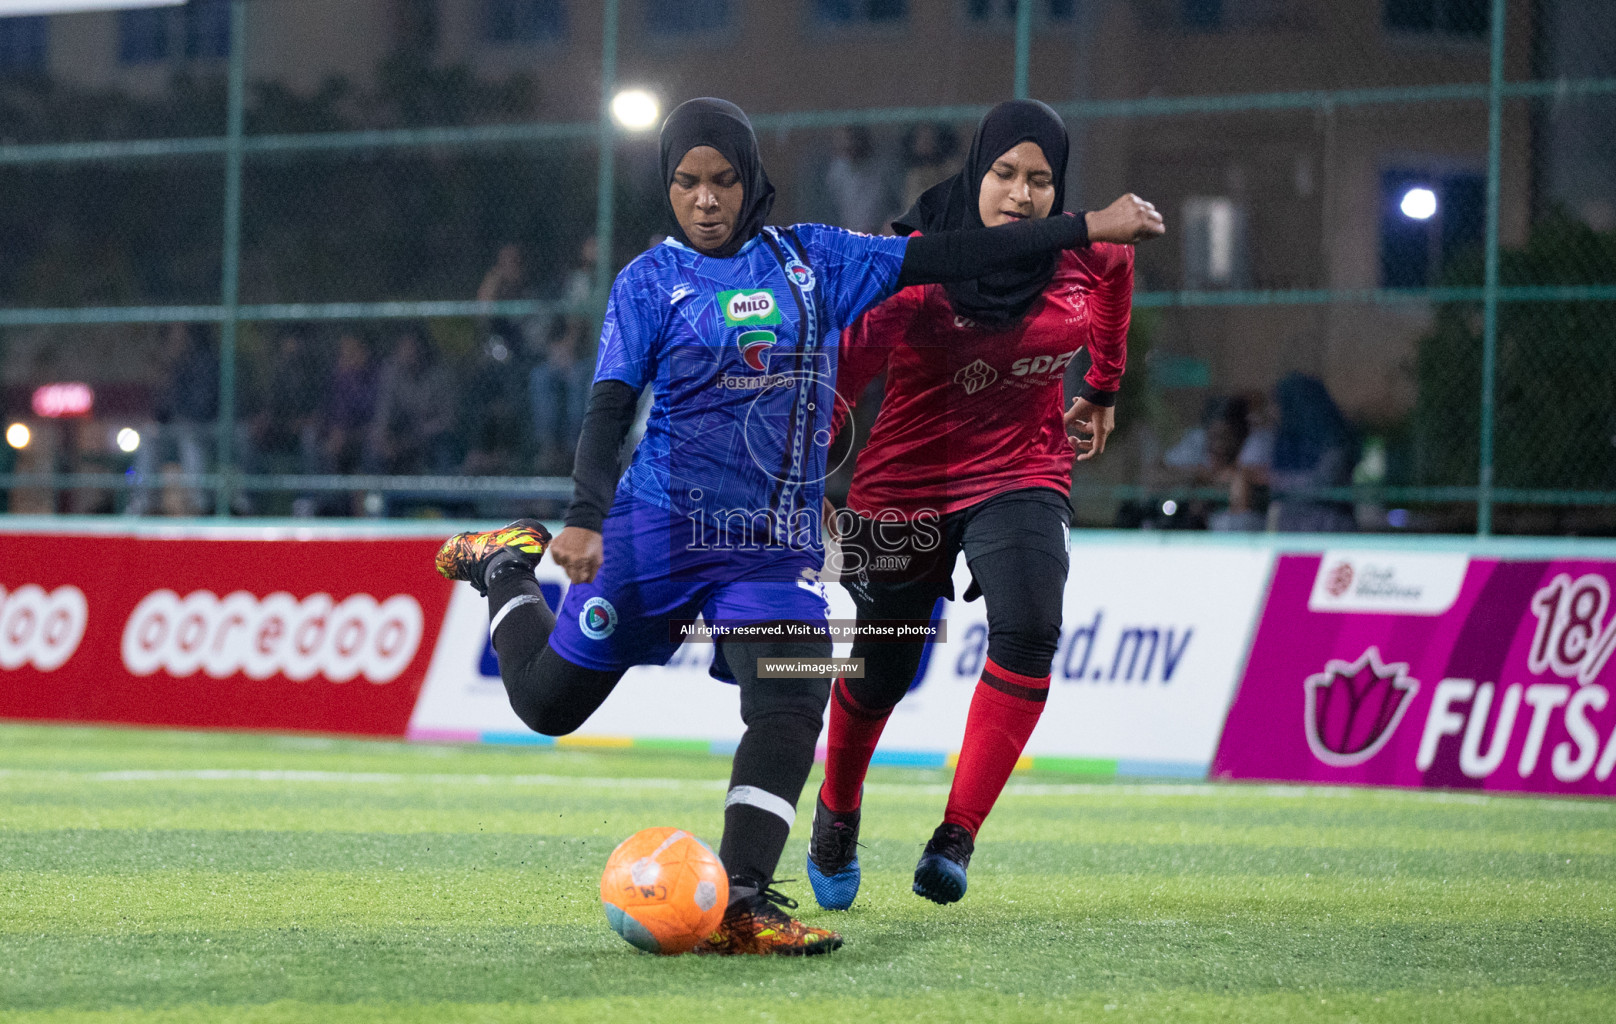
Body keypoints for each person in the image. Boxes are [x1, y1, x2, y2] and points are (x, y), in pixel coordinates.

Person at [433, 97, 1159, 955]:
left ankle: (743, 902)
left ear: (751, 182)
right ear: (668, 189)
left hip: (766, 556)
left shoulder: (817, 260)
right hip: (658, 537)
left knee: (793, 691)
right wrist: (582, 520)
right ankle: (503, 570)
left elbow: (958, 249)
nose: (705, 200)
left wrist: (1086, 228)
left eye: (723, 181)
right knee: (548, 707)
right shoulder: (646, 284)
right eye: (686, 183)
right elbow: (606, 413)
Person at [806, 100, 1159, 910]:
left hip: (1023, 467)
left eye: (1040, 180)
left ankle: (955, 835)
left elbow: (1115, 280)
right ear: (975, 176)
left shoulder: (1085, 250)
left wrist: (1102, 388)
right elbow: (840, 381)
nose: (1022, 194)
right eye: (1005, 174)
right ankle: (837, 809)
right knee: (881, 670)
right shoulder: (912, 272)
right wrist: (801, 485)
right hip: (904, 483)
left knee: (1032, 627)